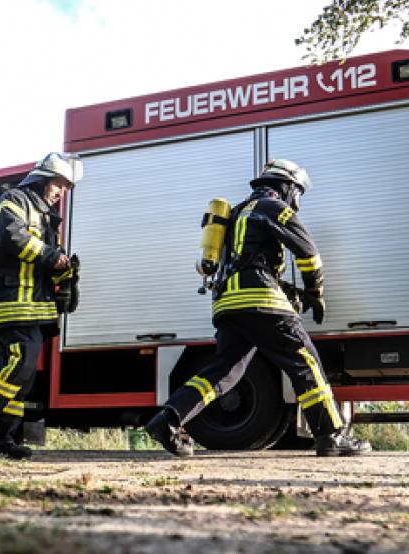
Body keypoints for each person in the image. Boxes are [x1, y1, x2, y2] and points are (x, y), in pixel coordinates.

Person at [144, 159, 371, 457]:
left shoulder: (236, 213)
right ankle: (331, 435)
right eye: (298, 192)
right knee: (305, 362)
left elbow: (247, 263)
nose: (298, 200)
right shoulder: (273, 208)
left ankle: (168, 419)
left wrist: (289, 291)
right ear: (287, 187)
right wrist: (315, 292)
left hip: (227, 304)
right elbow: (308, 252)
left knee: (223, 371)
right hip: (261, 303)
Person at [0, 152, 82, 459]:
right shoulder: (15, 200)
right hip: (11, 301)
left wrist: (66, 272)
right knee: (16, 361)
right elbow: (12, 235)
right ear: (42, 179)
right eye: (59, 184)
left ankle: (3, 438)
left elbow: (47, 257)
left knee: (23, 376)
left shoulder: (46, 217)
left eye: (66, 187)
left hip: (33, 306)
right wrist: (51, 256)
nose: (61, 192)